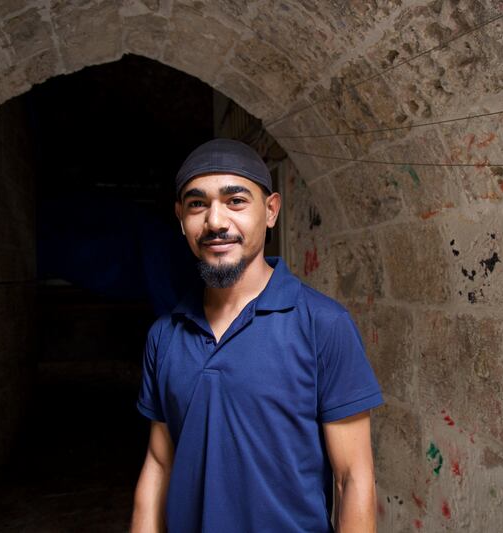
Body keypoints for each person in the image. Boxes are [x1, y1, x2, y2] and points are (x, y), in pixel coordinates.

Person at [130, 138, 383, 533]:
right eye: (197, 204)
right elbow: (160, 464)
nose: (215, 221)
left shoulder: (323, 324)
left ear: (270, 211)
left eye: (235, 201)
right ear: (180, 218)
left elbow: (353, 477)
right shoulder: (165, 336)